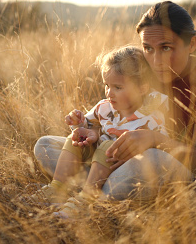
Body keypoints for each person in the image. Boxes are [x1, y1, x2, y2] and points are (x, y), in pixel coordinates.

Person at [33, 1, 196, 204]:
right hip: (114, 161)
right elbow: (114, 119)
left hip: (166, 165)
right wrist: (92, 133)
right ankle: (97, 188)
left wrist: (154, 140)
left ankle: (89, 198)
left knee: (152, 161)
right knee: (45, 145)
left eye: (166, 48)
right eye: (148, 48)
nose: (155, 60)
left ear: (191, 44)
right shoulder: (141, 67)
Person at [29, 46, 169, 218]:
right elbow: (91, 127)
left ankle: (85, 200)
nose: (109, 93)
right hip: (95, 164)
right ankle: (57, 189)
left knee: (110, 146)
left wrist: (135, 152)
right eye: (106, 85)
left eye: (118, 87)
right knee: (48, 143)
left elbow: (157, 150)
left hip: (118, 169)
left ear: (142, 88)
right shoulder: (104, 107)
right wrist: (81, 127)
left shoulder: (152, 116)